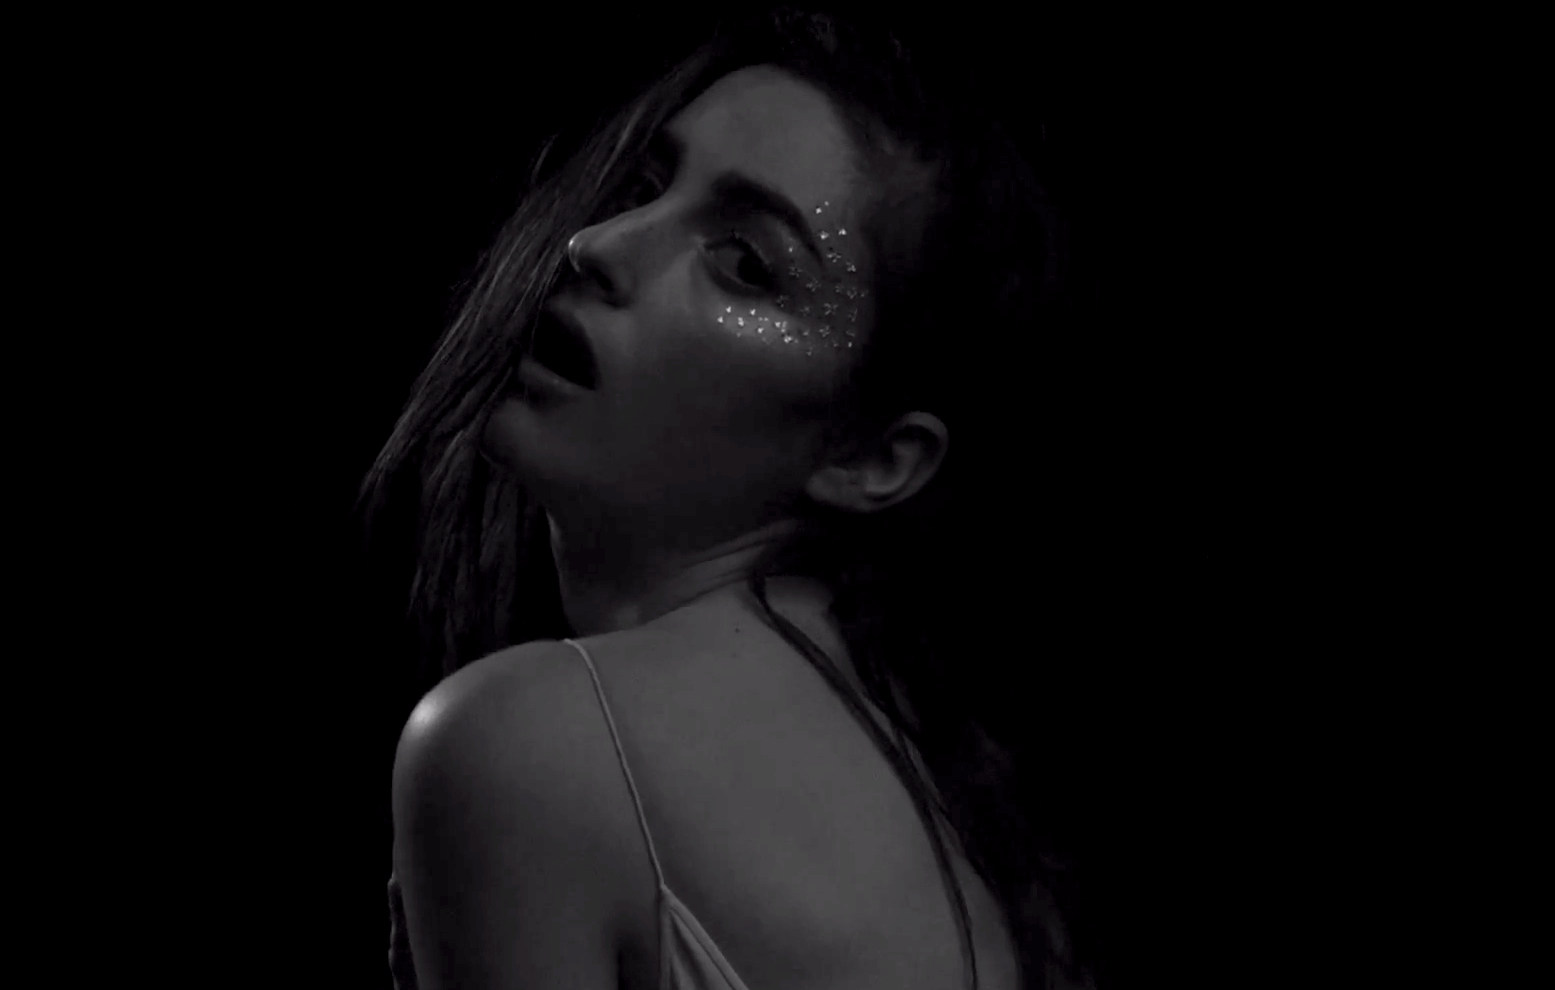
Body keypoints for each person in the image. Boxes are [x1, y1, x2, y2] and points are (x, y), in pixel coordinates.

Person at [362, 8, 1091, 989]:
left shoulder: (526, 744)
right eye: (642, 188)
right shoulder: (943, 784)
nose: (594, 244)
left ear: (872, 457)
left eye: (747, 264)